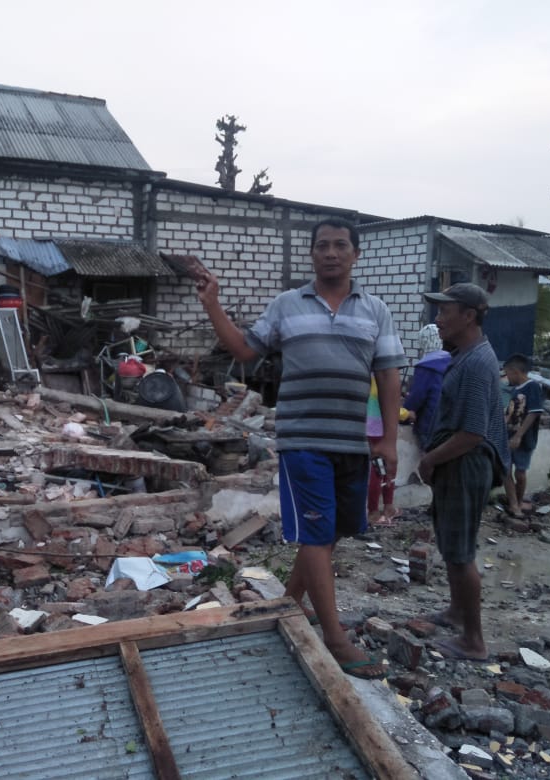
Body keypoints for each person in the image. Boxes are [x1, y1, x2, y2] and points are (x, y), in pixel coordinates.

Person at [196, 218, 405, 678]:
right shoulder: (287, 305)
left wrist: (388, 439)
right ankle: (334, 638)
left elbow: (389, 375)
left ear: (356, 254)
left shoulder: (376, 310)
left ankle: (290, 603)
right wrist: (213, 304)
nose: (331, 253)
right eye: (322, 246)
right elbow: (245, 349)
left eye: (340, 246)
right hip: (303, 440)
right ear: (311, 254)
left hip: (351, 441)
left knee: (330, 533)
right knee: (314, 534)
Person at [417, 284, 509, 662]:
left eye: (445, 311)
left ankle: (474, 640)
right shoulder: (469, 355)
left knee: (460, 553)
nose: (438, 318)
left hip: (464, 463)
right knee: (453, 542)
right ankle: (456, 613)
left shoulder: (474, 364)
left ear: (468, 316)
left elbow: (472, 433)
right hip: (459, 464)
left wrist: (430, 460)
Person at [502, 353, 544, 517]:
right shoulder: (514, 391)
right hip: (508, 436)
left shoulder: (532, 387)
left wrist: (518, 436)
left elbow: (533, 413)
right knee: (505, 470)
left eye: (507, 373)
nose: (507, 378)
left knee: (520, 472)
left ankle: (518, 502)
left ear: (514, 371)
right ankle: (514, 504)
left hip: (524, 440)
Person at [402, 324, 451, 451]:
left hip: (428, 424)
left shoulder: (425, 366)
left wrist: (406, 409)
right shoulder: (452, 360)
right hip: (448, 424)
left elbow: (417, 397)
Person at [366, 377, 397, 525]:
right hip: (378, 428)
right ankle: (374, 511)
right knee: (380, 469)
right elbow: (391, 404)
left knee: (380, 468)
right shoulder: (382, 378)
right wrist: (407, 414)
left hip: (370, 427)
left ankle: (385, 508)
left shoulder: (368, 375)